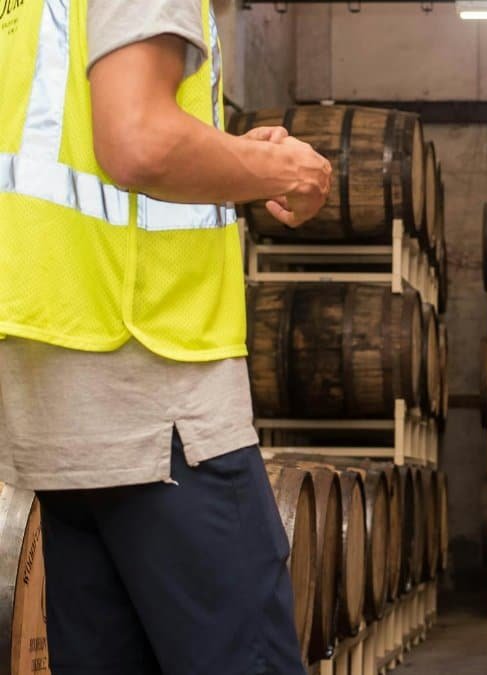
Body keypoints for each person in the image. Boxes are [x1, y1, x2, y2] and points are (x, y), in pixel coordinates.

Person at [0, 1, 332, 673]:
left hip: (51, 372)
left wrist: (228, 154)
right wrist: (285, 172)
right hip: (152, 376)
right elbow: (139, 138)